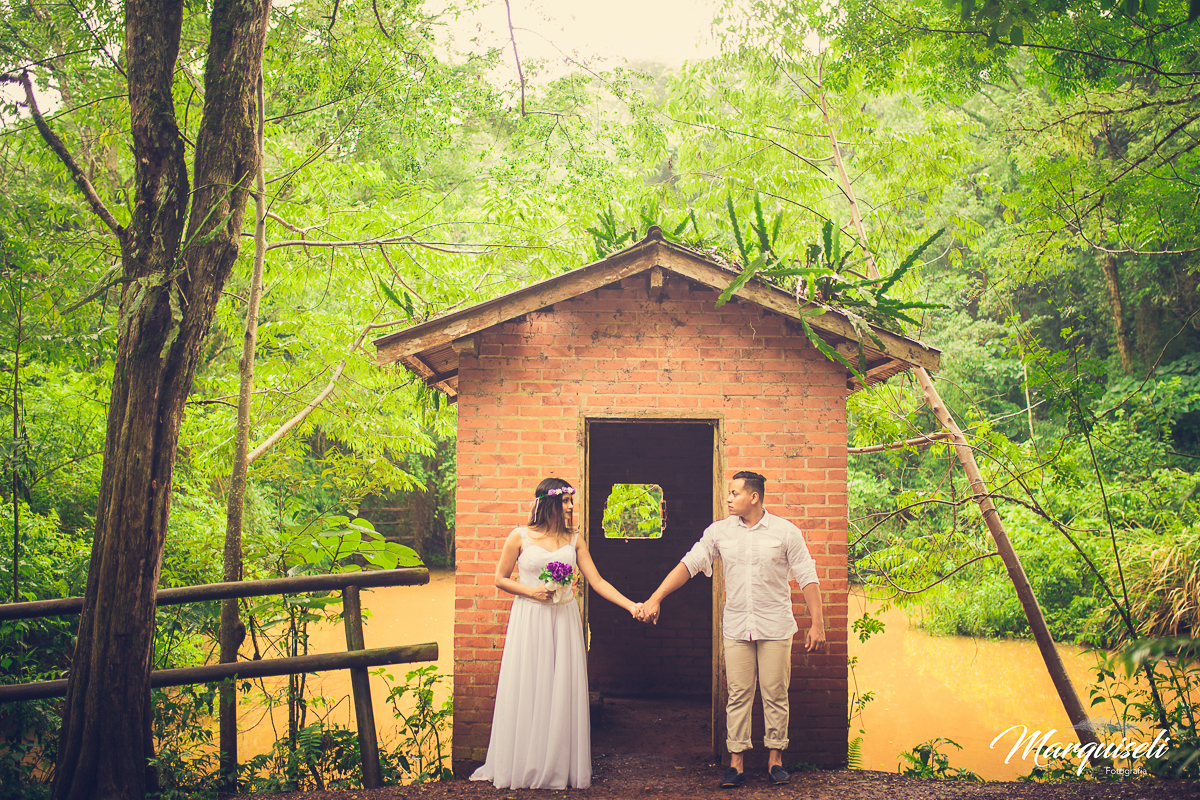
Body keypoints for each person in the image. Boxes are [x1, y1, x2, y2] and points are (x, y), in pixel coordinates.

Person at [638, 471, 825, 788]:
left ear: (754, 497)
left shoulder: (785, 532)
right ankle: (736, 764)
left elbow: (808, 576)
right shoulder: (718, 533)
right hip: (737, 626)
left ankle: (775, 761)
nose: (728, 498)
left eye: (734, 493)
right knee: (738, 694)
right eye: (729, 492)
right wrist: (656, 597)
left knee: (775, 694)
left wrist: (817, 624)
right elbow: (690, 564)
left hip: (775, 626)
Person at [470, 477, 642, 789]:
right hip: (530, 619)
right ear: (550, 502)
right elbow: (499, 578)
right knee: (531, 686)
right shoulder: (520, 536)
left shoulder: (574, 539)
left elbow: (597, 581)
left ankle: (558, 766)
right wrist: (530, 592)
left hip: (564, 620)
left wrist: (631, 606)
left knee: (561, 687)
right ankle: (523, 763)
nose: (572, 506)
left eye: (571, 501)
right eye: (566, 501)